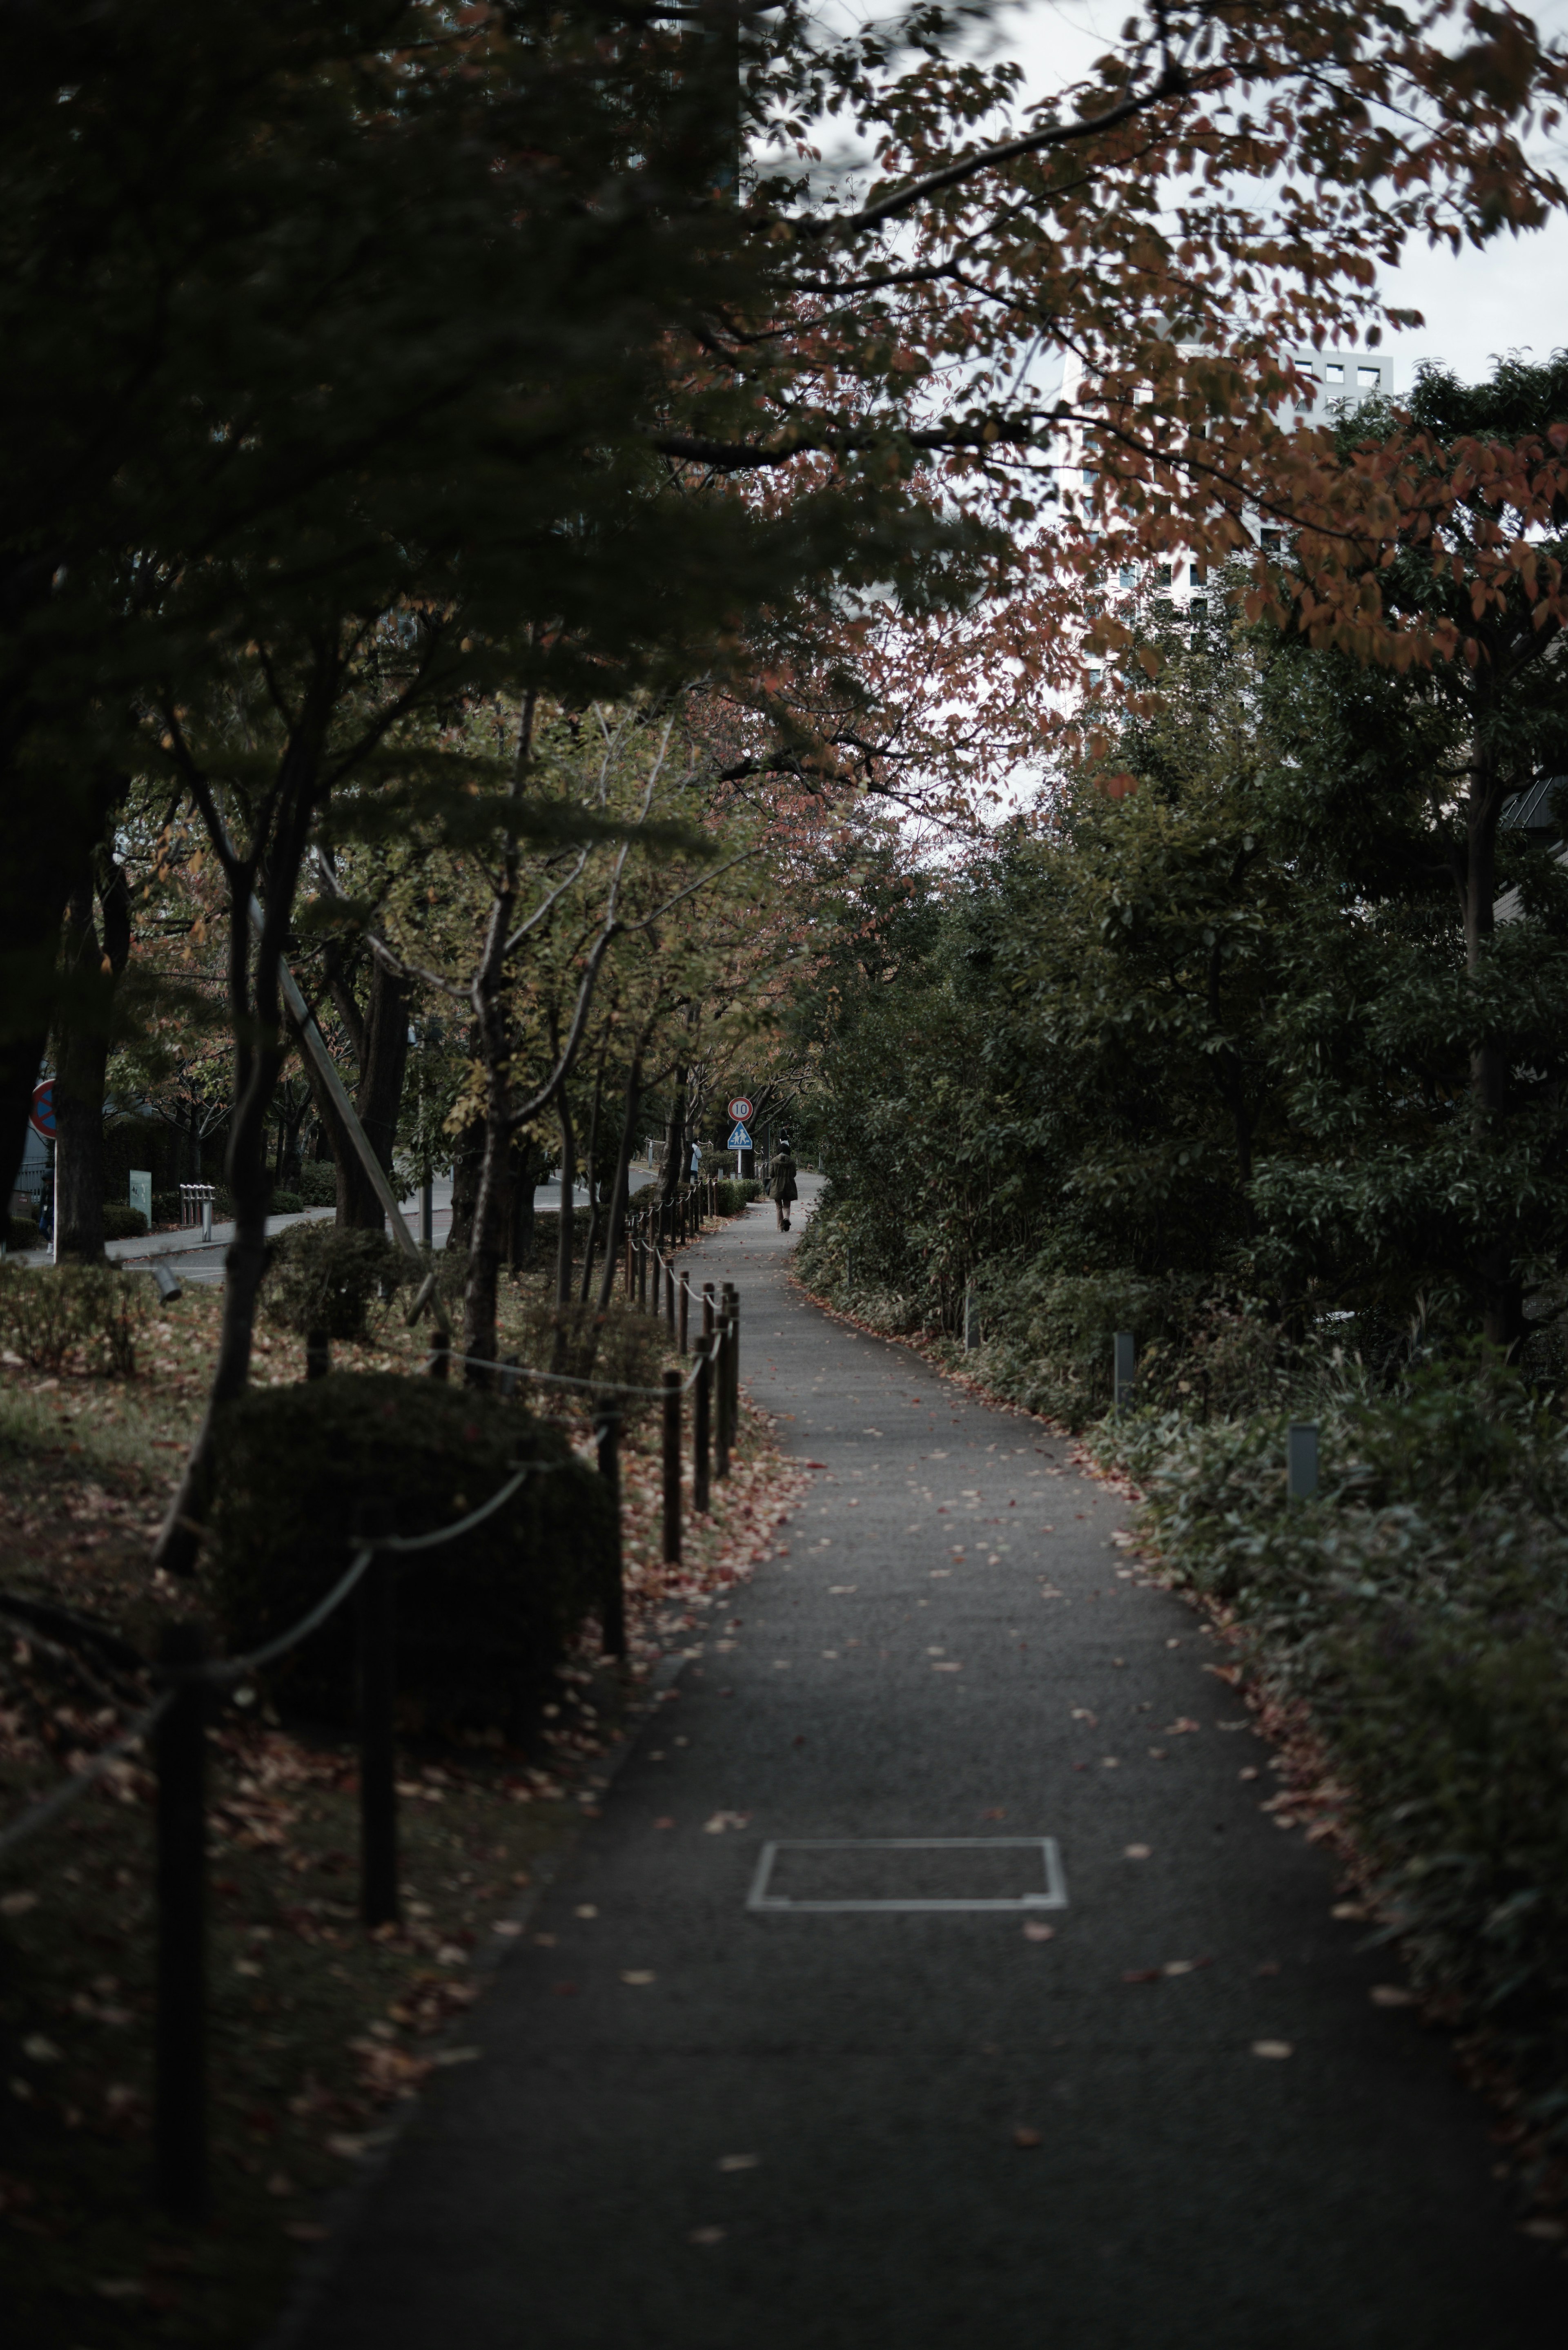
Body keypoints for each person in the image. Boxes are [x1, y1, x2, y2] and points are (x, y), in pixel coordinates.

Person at [769, 1139, 798, 1232]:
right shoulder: (792, 1161)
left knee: (779, 1207)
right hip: (789, 1185)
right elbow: (794, 1174)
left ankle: (780, 1228)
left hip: (777, 1186)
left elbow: (771, 1174)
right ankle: (786, 1218)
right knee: (787, 1206)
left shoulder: (774, 1161)